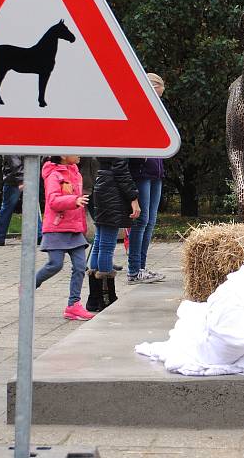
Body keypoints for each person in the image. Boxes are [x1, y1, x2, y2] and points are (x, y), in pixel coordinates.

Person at [35, 156, 94, 320]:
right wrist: (74, 200)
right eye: (75, 150)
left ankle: (73, 305)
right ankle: (29, 285)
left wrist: (82, 225)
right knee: (55, 264)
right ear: (63, 155)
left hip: (74, 229)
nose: (79, 154)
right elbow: (53, 200)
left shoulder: (76, 173)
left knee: (80, 266)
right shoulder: (54, 175)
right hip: (56, 228)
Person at [126, 73, 166, 284]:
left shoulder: (156, 112)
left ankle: (142, 266)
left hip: (155, 171)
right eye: (156, 96)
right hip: (140, 171)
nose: (158, 101)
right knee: (141, 221)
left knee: (150, 221)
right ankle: (134, 269)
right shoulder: (136, 110)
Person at [87, 157, 140, 310]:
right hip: (112, 189)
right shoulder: (119, 138)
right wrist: (133, 197)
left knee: (99, 242)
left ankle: (94, 298)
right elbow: (121, 169)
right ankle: (106, 297)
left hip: (102, 183)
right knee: (106, 245)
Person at [0, 155, 42, 246]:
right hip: (29, 176)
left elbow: (14, 160)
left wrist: (21, 180)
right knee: (32, 206)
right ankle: (39, 235)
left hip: (14, 180)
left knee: (7, 208)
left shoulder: (11, 143)